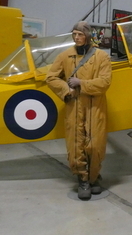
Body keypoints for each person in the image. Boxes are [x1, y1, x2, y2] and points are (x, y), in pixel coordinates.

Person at [46, 21, 112, 200]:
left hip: (95, 107)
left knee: (96, 143)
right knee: (76, 143)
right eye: (74, 34)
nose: (76, 37)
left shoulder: (101, 57)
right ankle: (83, 179)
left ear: (88, 36)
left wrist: (81, 83)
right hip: (74, 106)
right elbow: (51, 77)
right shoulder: (64, 56)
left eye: (80, 34)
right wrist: (67, 90)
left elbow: (105, 82)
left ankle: (94, 177)